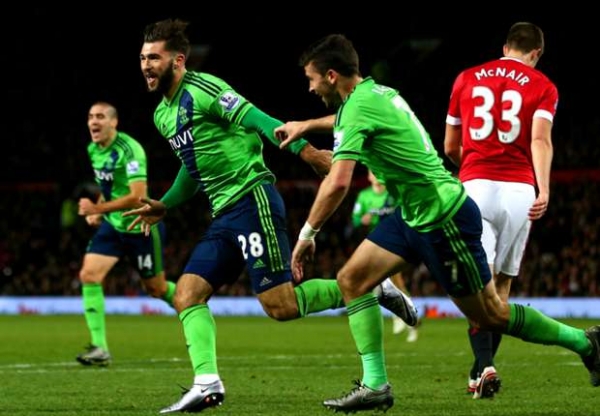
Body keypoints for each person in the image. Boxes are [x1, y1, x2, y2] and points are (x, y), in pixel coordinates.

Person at [275, 33, 600, 413]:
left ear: (331, 75)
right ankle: (376, 385)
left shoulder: (359, 108)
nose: (309, 87)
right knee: (352, 280)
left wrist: (307, 234)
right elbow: (345, 118)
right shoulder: (378, 94)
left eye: (312, 79)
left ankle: (587, 343)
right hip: (414, 216)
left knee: (490, 313)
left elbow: (339, 182)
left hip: (444, 217)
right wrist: (306, 125)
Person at [124, 19, 417, 414]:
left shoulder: (205, 89)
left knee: (280, 306)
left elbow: (259, 120)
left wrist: (309, 153)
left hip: (252, 199)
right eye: (142, 58)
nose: (146, 65)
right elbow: (193, 168)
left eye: (154, 58)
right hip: (223, 213)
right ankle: (207, 383)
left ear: (178, 60)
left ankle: (371, 287)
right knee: (187, 293)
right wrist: (166, 203)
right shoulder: (163, 114)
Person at [443, 21, 557, 399]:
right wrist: (543, 186)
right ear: (536, 53)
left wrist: (472, 165)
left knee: (479, 285)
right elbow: (540, 139)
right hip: (520, 190)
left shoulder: (467, 78)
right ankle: (481, 370)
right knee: (502, 286)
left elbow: (449, 146)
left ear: (506, 45)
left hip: (476, 185)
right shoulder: (543, 86)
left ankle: (483, 367)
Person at [76, 101, 176, 366]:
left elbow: (138, 197)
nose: (93, 122)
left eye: (100, 117)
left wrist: (96, 207)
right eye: (90, 117)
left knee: (156, 289)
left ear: (113, 122)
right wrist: (100, 209)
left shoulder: (129, 150)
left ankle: (193, 305)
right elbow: (108, 187)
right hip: (113, 225)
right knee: (89, 275)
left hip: (140, 224)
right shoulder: (93, 149)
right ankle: (100, 348)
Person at [352, 169, 419, 341]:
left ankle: (402, 318)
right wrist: (362, 220)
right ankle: (409, 319)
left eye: (377, 172)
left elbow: (406, 212)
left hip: (394, 243)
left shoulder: (392, 195)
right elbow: (355, 219)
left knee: (393, 281)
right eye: (371, 172)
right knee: (388, 283)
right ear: (368, 176)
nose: (374, 175)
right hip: (372, 243)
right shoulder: (364, 196)